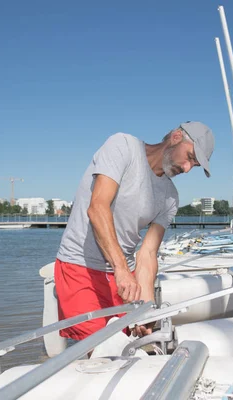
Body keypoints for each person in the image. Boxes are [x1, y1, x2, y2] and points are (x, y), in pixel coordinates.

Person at [54, 122, 214, 340]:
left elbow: (147, 255)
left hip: (124, 275)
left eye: (193, 165)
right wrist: (120, 269)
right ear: (176, 137)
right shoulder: (123, 146)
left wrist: (146, 308)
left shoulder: (170, 197)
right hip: (81, 267)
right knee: (102, 348)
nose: (187, 168)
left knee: (130, 344)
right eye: (190, 157)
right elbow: (98, 207)